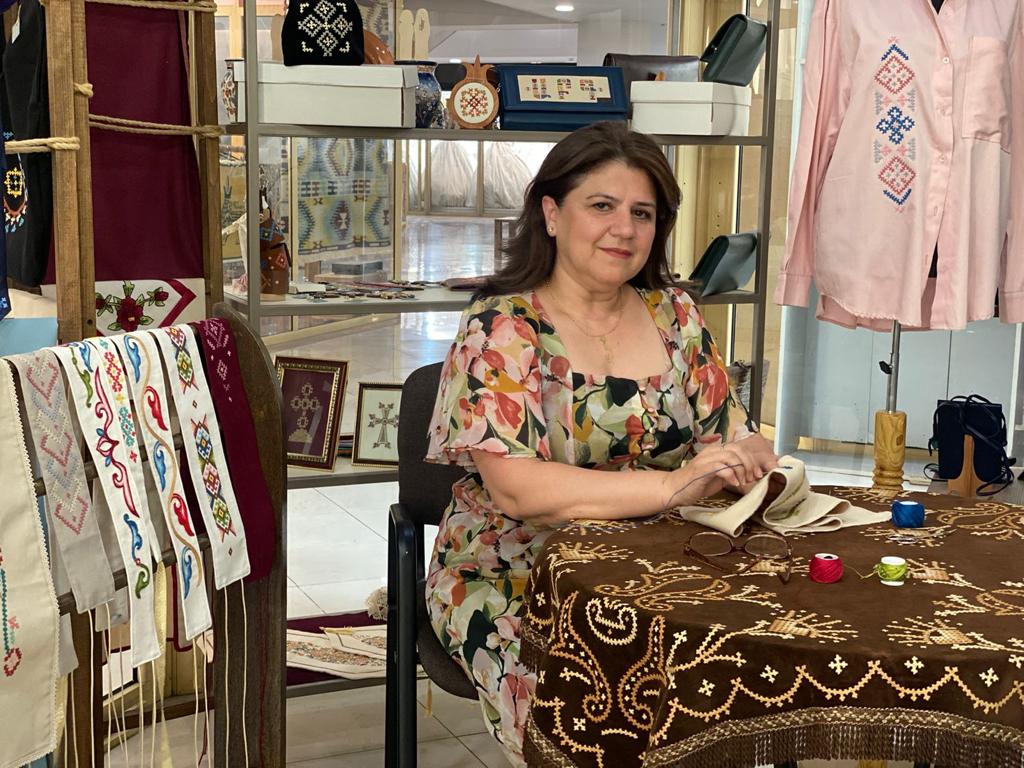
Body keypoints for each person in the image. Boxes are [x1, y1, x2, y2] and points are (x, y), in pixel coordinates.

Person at [424, 121, 779, 766]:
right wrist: (673, 485)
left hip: (665, 563)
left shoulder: (678, 315)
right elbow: (519, 491)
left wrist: (747, 452)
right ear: (552, 214)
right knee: (590, 703)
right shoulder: (501, 326)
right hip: (519, 571)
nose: (624, 229)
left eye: (642, 213)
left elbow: (730, 429)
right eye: (603, 206)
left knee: (743, 671)